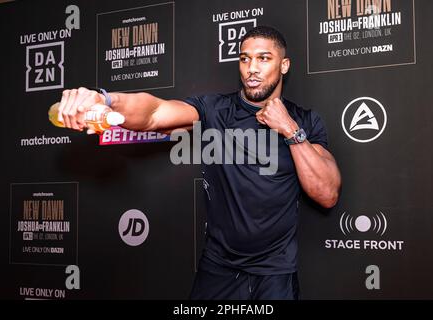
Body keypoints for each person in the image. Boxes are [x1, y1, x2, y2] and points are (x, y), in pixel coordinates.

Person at [57, 26, 341, 300]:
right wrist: (106, 99)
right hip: (218, 269)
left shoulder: (305, 121)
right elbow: (155, 113)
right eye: (245, 59)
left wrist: (290, 129)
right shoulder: (215, 110)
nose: (252, 68)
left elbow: (326, 193)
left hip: (275, 273)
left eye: (263, 58)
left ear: (284, 65)